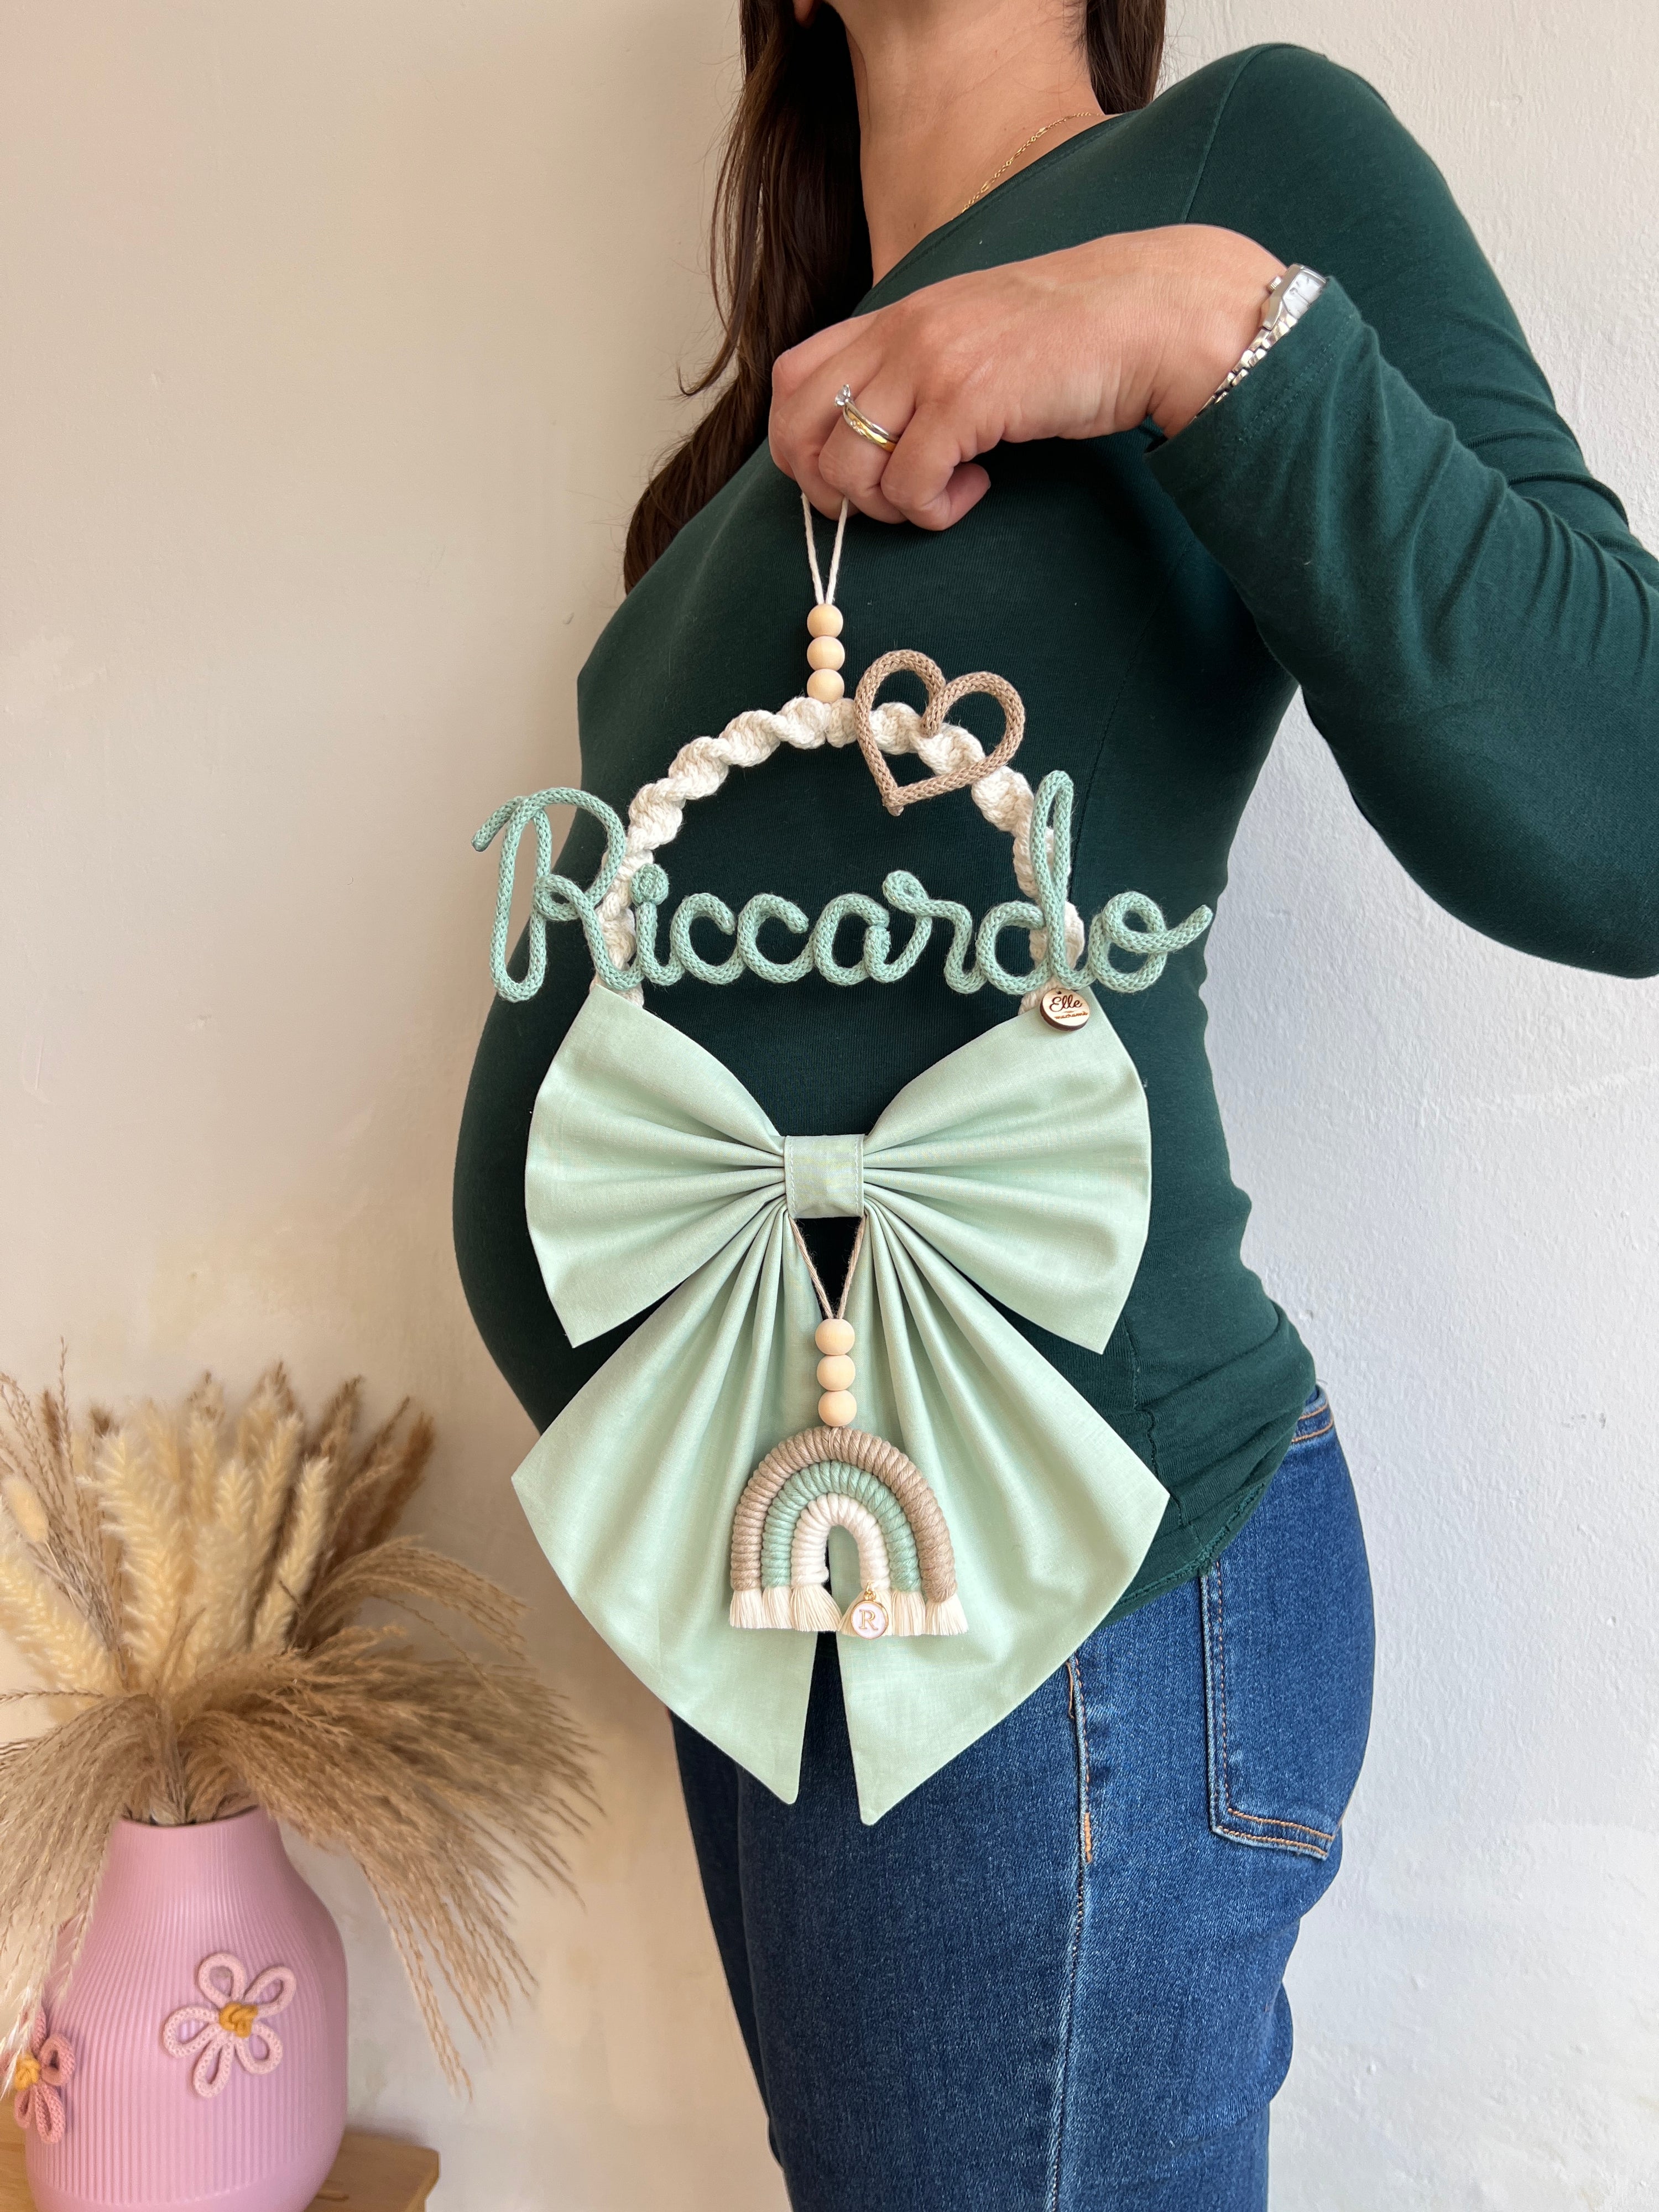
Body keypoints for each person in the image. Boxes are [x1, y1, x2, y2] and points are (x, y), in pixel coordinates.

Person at [453, 2, 1659, 2203]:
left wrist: (1205, 324)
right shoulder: (757, 456)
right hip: (785, 1603)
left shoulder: (1248, 160)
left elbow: (1628, 807)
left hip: (1048, 1613)